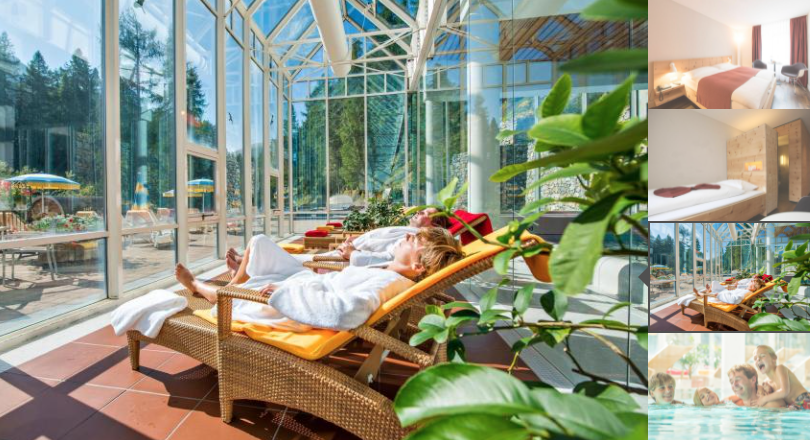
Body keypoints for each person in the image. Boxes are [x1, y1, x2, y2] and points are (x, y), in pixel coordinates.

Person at [175, 227, 463, 332]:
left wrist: (285, 293)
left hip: (294, 301)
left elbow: (344, 312)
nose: (408, 235)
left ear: (418, 264)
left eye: (416, 240)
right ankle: (237, 279)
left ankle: (199, 286)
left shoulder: (387, 283)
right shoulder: (393, 273)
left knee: (231, 299)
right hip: (305, 282)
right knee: (260, 243)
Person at [225, 207, 453, 275]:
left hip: (343, 262)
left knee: (295, 261)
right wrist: (359, 240)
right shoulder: (410, 236)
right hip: (346, 254)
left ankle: (245, 266)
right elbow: (383, 246)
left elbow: (387, 259)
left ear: (434, 226)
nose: (419, 211)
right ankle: (246, 263)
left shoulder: (413, 243)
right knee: (296, 259)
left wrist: (353, 252)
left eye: (426, 213)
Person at [751, 345, 810, 410]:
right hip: (792, 405)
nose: (758, 359)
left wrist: (764, 399)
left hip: (805, 399)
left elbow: (784, 392)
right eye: (755, 359)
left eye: (762, 356)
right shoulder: (767, 383)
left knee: (789, 411)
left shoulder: (780, 369)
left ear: (774, 358)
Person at [690, 277, 766, 306]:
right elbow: (737, 289)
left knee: (710, 296)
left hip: (723, 297)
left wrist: (719, 295)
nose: (750, 281)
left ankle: (699, 293)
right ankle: (708, 290)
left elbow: (734, 299)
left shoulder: (746, 292)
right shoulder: (747, 289)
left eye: (752, 281)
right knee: (714, 283)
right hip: (726, 292)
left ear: (753, 288)